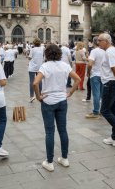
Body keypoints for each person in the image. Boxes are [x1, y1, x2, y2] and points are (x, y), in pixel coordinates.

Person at [33, 44, 80, 172]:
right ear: (59, 53)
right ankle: (64, 158)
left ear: (46, 54)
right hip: (62, 100)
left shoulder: (45, 66)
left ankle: (49, 161)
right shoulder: (65, 65)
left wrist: (38, 96)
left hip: (48, 101)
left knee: (49, 132)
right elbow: (78, 79)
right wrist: (70, 93)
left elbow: (35, 83)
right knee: (63, 130)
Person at [85, 36, 105, 119]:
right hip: (103, 75)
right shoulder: (105, 51)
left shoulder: (94, 51)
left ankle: (96, 111)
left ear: (93, 43)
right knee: (102, 94)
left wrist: (88, 72)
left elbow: (90, 64)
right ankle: (103, 111)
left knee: (96, 94)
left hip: (95, 74)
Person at [27, 38, 44, 102]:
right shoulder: (42, 49)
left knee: (32, 82)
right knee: (39, 81)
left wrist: (27, 55)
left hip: (32, 67)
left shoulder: (32, 49)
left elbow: (29, 58)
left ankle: (32, 96)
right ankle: (40, 94)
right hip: (40, 67)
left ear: (34, 43)